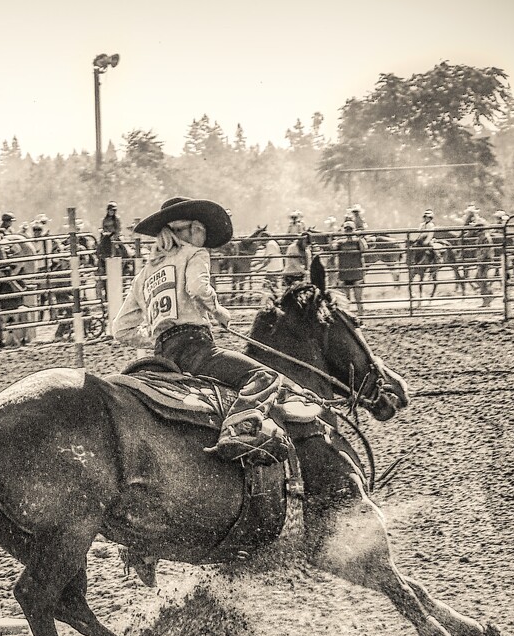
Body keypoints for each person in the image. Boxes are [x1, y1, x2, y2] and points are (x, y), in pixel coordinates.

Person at [111, 196, 291, 466]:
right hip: (196, 351)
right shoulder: (194, 254)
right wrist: (219, 311)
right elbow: (197, 288)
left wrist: (156, 333)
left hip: (161, 357)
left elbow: (120, 329)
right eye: (204, 232)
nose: (206, 240)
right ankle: (236, 430)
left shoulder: (144, 275)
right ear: (193, 229)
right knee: (264, 376)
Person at [332, 220, 367, 315]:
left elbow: (364, 249)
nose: (348, 232)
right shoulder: (340, 242)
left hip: (356, 273)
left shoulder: (357, 241)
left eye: (350, 229)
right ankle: (349, 317)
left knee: (358, 298)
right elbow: (333, 248)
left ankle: (361, 316)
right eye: (346, 229)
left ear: (353, 230)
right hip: (345, 274)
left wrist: (360, 238)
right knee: (346, 299)